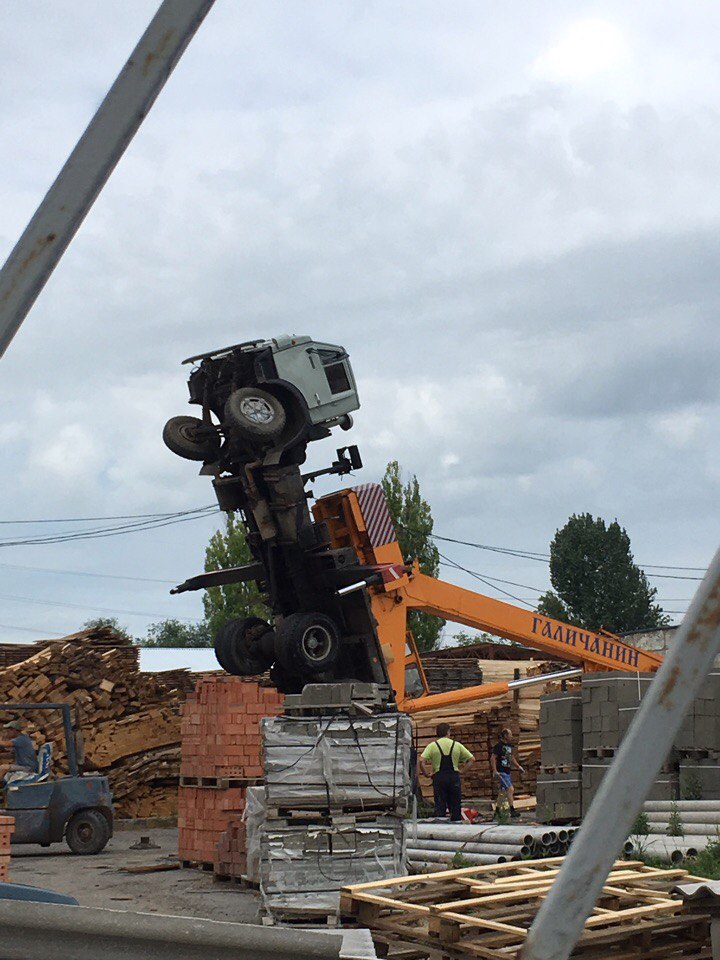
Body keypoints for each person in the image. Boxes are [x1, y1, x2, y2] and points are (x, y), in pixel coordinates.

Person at [420, 723, 474, 821]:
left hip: (439, 778)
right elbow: (472, 759)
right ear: (448, 732)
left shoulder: (432, 746)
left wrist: (426, 774)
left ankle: (441, 828)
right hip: (454, 778)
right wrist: (462, 771)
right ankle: (456, 828)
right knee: (455, 806)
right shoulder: (456, 745)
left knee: (440, 806)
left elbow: (421, 761)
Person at [491, 726, 524, 819]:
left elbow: (511, 757)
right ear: (505, 735)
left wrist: (518, 766)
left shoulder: (509, 746)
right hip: (501, 772)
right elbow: (493, 758)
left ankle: (497, 812)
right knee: (510, 789)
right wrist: (495, 770)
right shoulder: (499, 746)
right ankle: (512, 810)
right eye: (510, 734)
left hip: (507, 771)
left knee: (502, 792)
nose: (512, 736)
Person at [0, 720, 37, 785]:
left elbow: (6, 744)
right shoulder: (20, 739)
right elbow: (11, 755)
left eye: (8, 731)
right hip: (22, 766)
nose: (7, 733)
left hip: (27, 767)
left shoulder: (21, 739)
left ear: (14, 730)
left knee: (3, 768)